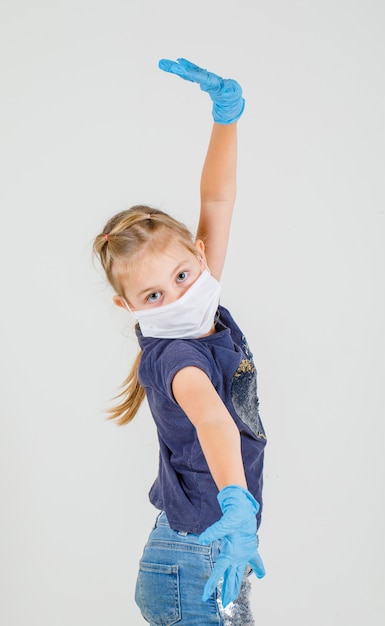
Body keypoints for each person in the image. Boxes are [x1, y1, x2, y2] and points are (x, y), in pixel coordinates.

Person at [93, 58, 267, 625]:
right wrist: (238, 506)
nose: (173, 297)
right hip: (192, 559)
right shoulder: (178, 357)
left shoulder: (201, 302)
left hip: (204, 550)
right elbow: (215, 421)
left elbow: (217, 201)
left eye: (181, 277)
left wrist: (226, 117)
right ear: (128, 307)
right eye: (151, 296)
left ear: (197, 254)